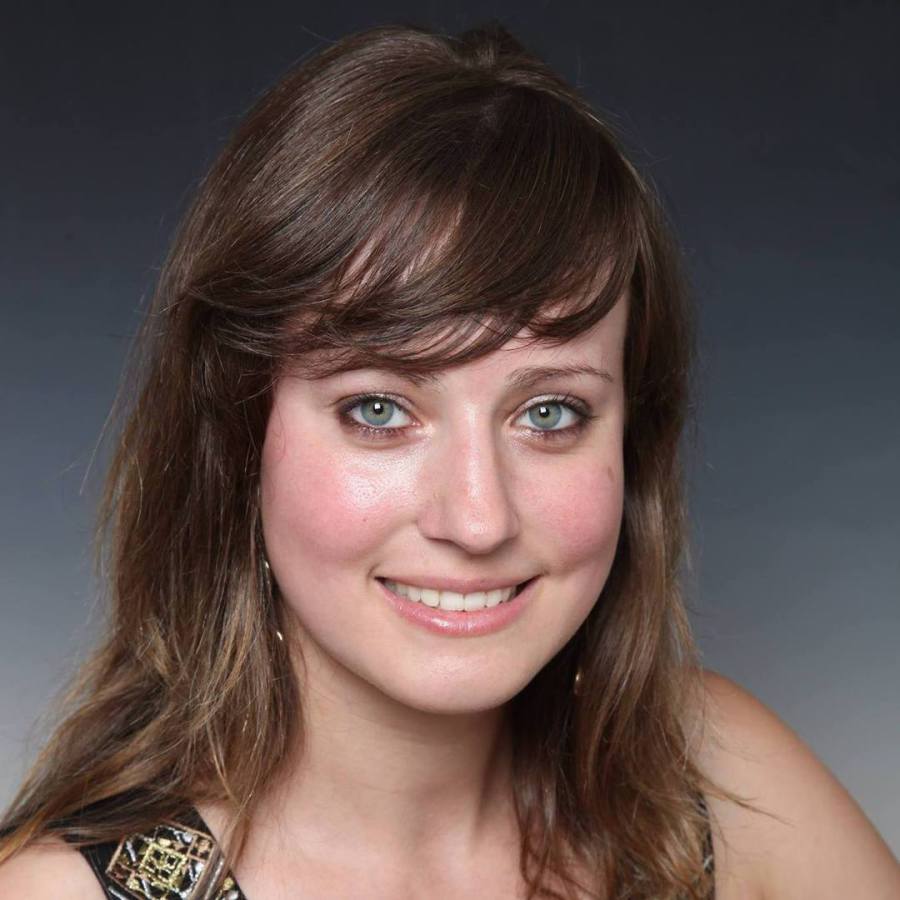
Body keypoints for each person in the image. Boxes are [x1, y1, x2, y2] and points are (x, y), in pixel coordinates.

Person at [0, 20, 897, 900]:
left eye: (549, 413)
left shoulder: (713, 783)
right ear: (237, 436)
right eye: (379, 410)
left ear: (633, 437)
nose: (477, 519)